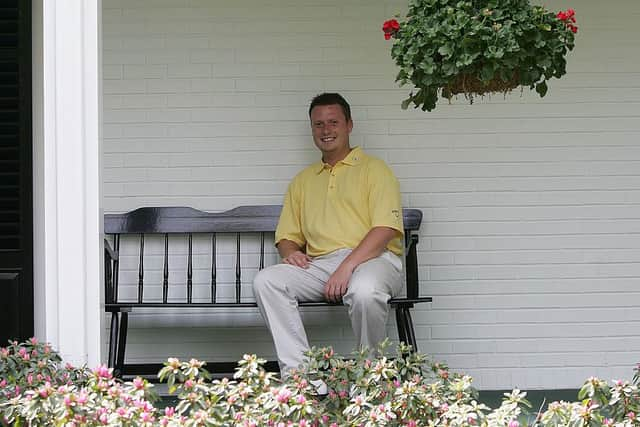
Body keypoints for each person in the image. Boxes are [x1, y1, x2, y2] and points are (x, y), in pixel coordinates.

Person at [253, 92, 405, 378]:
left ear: (349, 125)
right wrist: (290, 252)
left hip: (374, 260)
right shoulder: (303, 181)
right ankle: (302, 377)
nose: (326, 130)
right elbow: (287, 235)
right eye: (319, 124)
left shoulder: (375, 170)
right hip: (321, 265)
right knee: (267, 281)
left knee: (364, 291)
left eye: (333, 122)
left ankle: (370, 377)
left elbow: (385, 228)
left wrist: (347, 267)